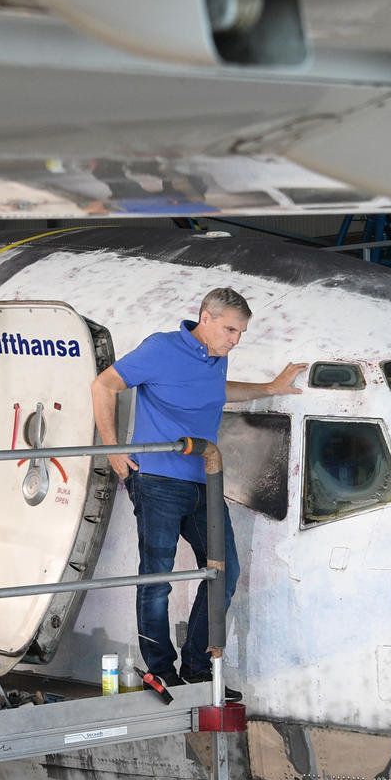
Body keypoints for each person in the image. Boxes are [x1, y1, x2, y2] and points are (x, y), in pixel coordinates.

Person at [91, 288, 305, 697]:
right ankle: (160, 672)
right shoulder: (162, 348)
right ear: (204, 318)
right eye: (230, 329)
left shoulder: (216, 356)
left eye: (241, 332)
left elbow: (217, 393)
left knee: (223, 573)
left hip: (205, 477)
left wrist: (270, 387)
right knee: (157, 578)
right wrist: (114, 451)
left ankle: (196, 668)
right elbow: (104, 386)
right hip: (157, 480)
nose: (235, 340)